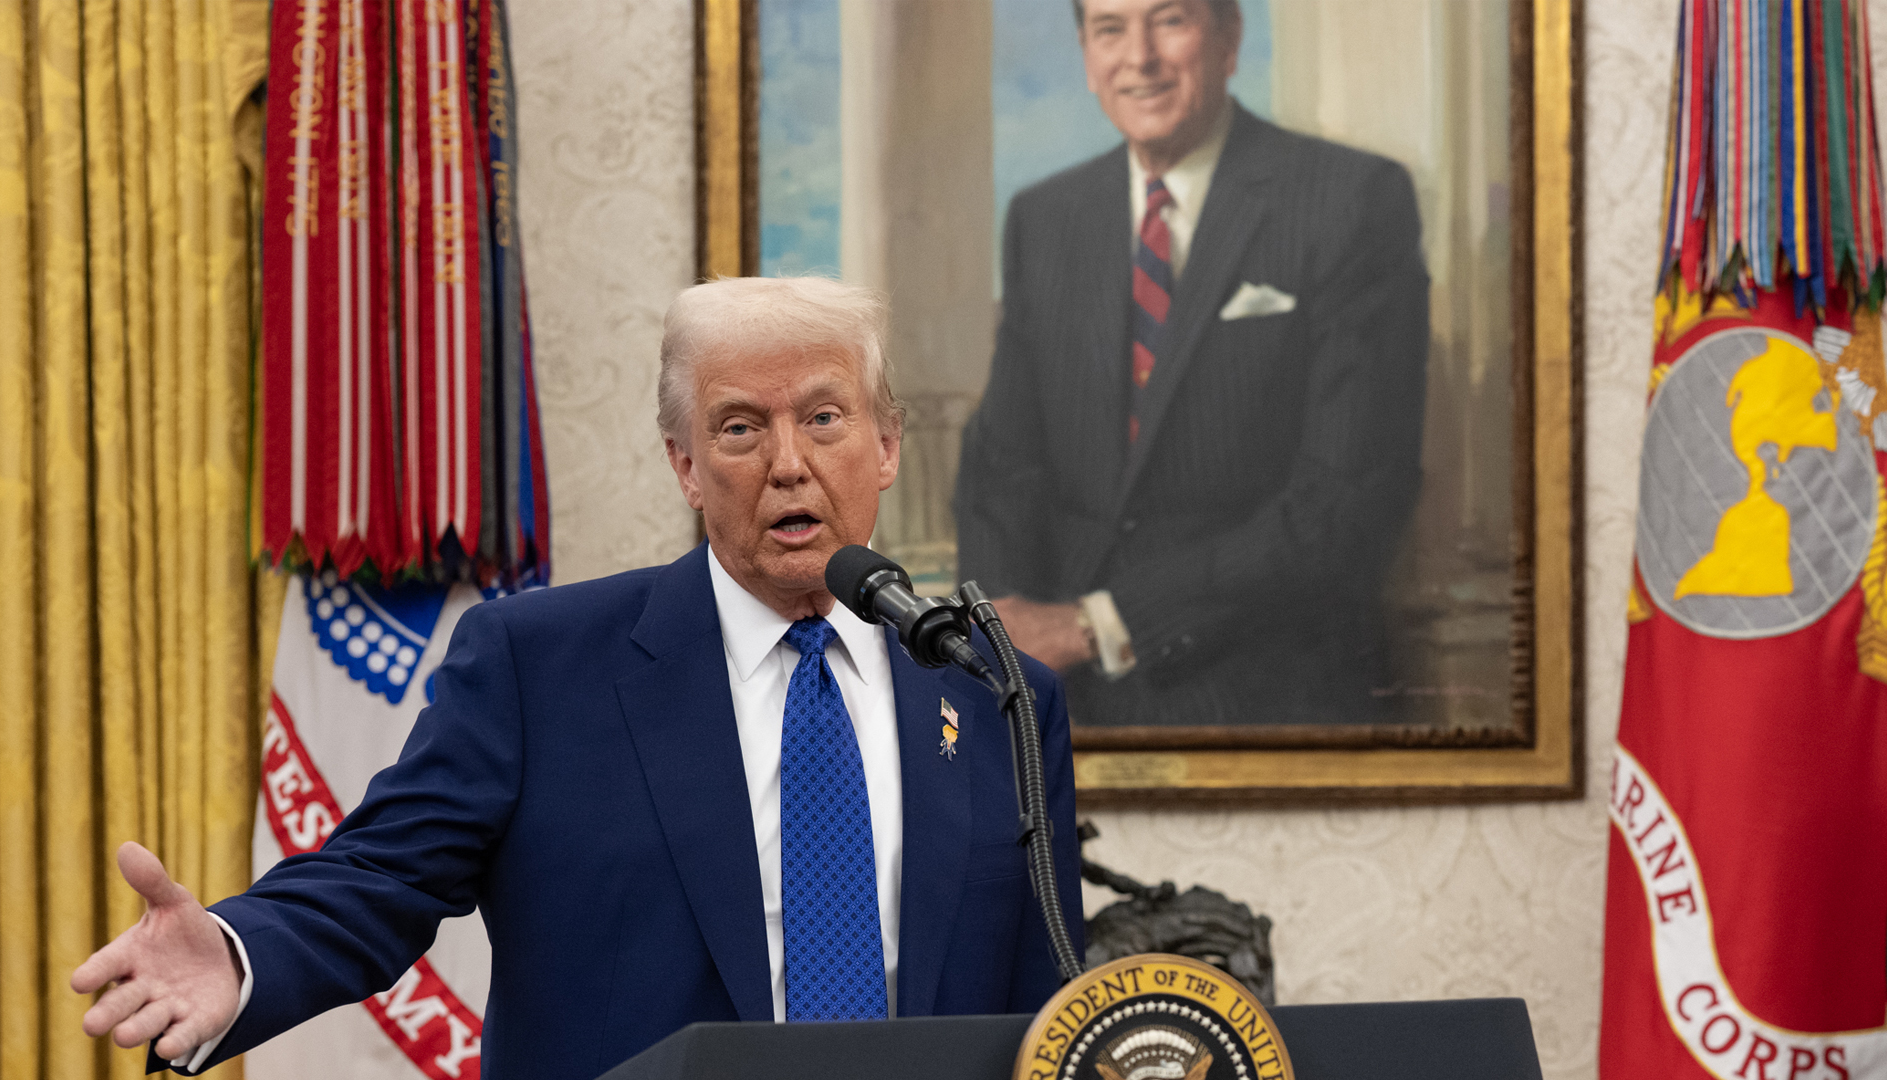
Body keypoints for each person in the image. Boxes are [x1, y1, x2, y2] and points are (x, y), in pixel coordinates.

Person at [72, 277, 1083, 1077]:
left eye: (825, 418)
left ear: (889, 444)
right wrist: (240, 952)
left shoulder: (992, 690)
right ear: (686, 465)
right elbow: (380, 877)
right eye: (739, 428)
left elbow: (1050, 1005)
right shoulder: (539, 666)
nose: (788, 463)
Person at [956, 0, 1429, 727]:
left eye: (1169, 20)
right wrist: (1002, 639)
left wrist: (1094, 626)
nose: (1138, 57)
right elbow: (1001, 467)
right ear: (1086, 54)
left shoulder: (1350, 200)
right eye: (1110, 29)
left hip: (1272, 699)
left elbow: (1346, 503)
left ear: (1230, 37)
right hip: (1060, 708)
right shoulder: (1045, 219)